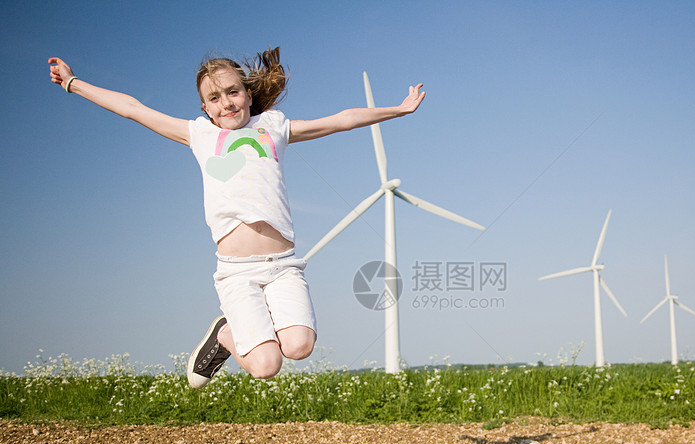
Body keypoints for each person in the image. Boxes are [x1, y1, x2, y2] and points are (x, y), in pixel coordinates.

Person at [49, 48, 425, 387]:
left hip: (284, 265)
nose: (226, 103)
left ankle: (239, 332)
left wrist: (399, 109)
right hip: (237, 272)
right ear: (205, 108)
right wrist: (72, 83)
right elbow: (132, 108)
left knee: (300, 346)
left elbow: (341, 120)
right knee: (265, 366)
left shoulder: (273, 127)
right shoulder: (197, 135)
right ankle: (226, 335)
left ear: (247, 94)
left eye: (232, 92)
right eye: (214, 98)